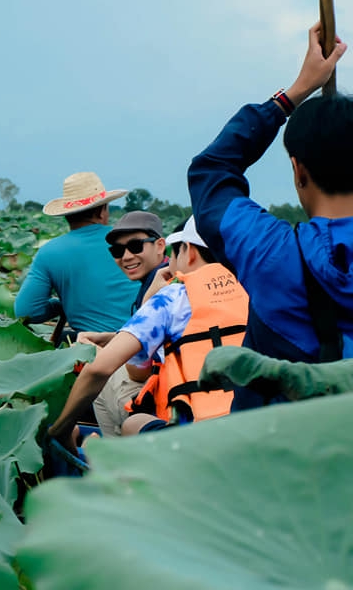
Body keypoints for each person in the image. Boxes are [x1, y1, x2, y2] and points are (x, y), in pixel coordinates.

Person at [188, 22, 353, 410]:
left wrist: (293, 94)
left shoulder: (267, 250)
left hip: (276, 441)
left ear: (298, 170)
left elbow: (211, 170)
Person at [48, 216, 249, 449]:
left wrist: (61, 430)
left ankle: (113, 460)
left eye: (175, 253)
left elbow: (117, 371)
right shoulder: (255, 291)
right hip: (254, 425)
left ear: (190, 252)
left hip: (192, 437)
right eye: (117, 251)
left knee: (132, 421)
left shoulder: (171, 299)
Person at [14, 172, 137, 339]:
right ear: (102, 211)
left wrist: (59, 305)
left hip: (92, 346)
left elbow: (26, 311)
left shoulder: (49, 252)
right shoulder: (135, 243)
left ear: (67, 215)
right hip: (145, 342)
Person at [90, 210, 169, 435]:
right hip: (176, 385)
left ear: (160, 245)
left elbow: (138, 371)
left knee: (97, 376)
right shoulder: (161, 275)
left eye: (135, 246)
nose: (125, 256)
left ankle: (112, 451)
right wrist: (112, 339)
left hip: (163, 396)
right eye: (117, 251)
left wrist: (103, 353)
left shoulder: (161, 286)